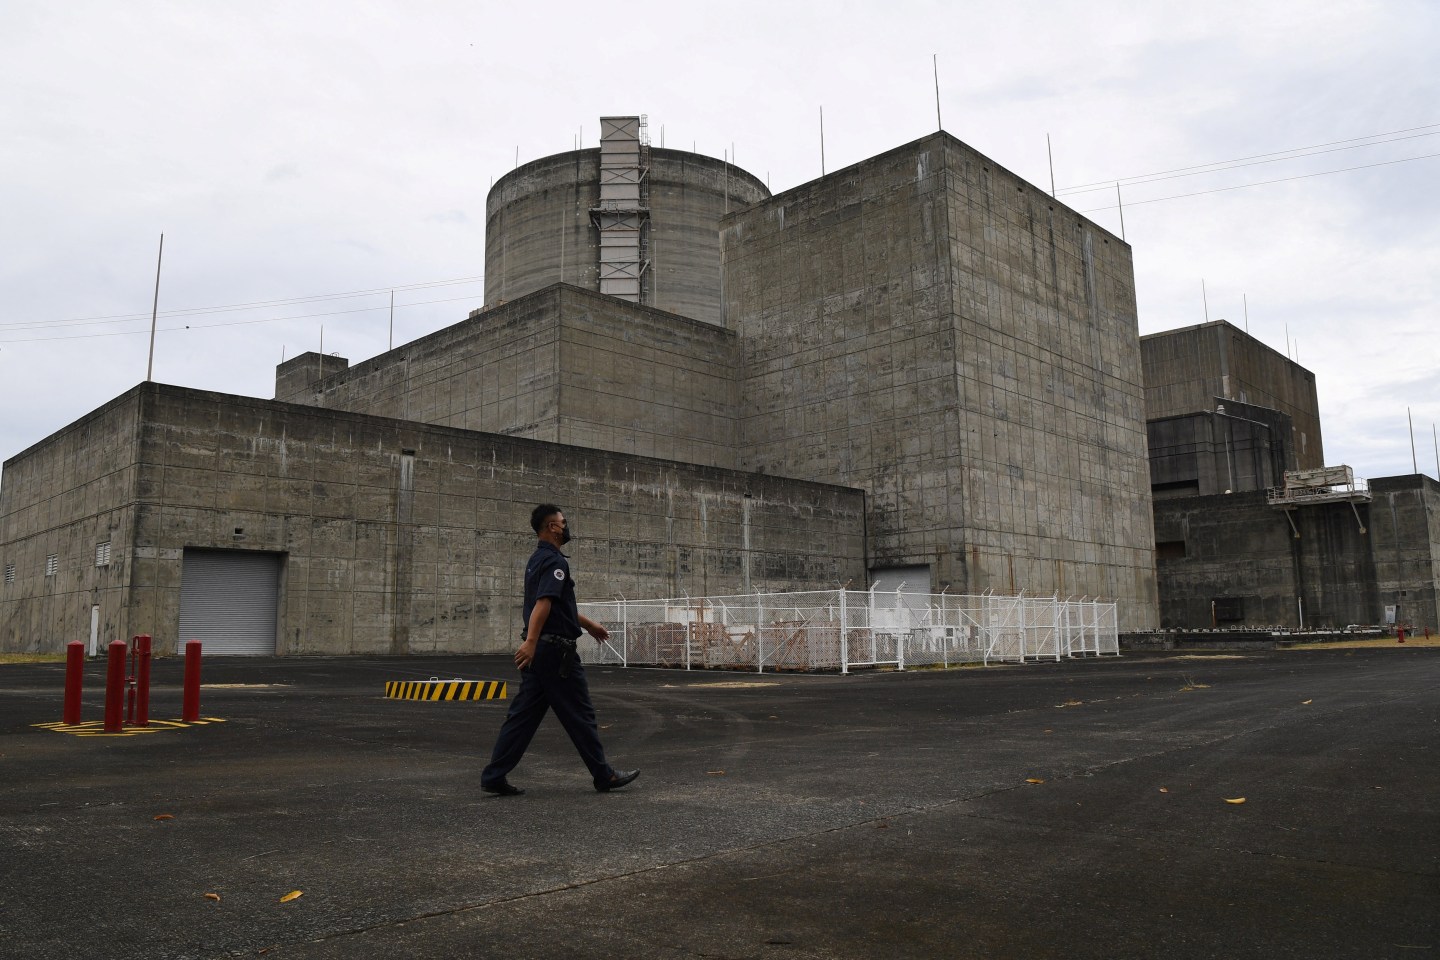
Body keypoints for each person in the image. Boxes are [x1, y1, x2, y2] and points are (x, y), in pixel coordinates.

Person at [481, 504, 639, 796]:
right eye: (562, 522)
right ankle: (604, 776)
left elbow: (557, 604)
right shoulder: (556, 562)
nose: (566, 527)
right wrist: (530, 641)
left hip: (542, 652)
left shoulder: (536, 560)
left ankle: (494, 775)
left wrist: (589, 625)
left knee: (522, 718)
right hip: (555, 653)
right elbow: (543, 604)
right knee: (580, 714)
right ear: (552, 527)